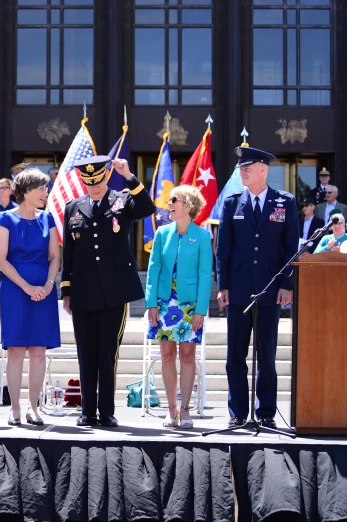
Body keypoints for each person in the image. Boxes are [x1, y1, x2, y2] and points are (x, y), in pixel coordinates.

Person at [61, 156, 154, 427]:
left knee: (107, 353)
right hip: (83, 291)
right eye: (89, 183)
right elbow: (70, 251)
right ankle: (87, 411)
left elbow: (147, 208)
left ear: (105, 177)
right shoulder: (73, 207)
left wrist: (129, 176)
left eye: (98, 180)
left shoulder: (121, 200)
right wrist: (66, 289)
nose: (95, 187)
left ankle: (106, 411)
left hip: (114, 291)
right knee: (86, 352)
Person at [216, 146, 298, 429]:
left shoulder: (284, 202)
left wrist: (287, 284)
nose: (242, 172)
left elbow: (290, 248)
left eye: (247, 168)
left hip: (269, 289)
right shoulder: (231, 202)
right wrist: (222, 284)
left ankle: (265, 413)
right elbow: (223, 248)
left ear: (263, 170)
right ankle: (237, 412)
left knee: (267, 355)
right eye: (241, 168)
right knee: (235, 355)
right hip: (238, 290)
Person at [0, 169, 60, 426]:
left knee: (38, 350)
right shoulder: (5, 219)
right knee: (16, 350)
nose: (45, 193)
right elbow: (0, 259)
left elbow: (55, 256)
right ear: (26, 191)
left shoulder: (48, 218)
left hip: (44, 291)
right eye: (41, 188)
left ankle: (34, 408)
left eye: (46, 188)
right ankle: (15, 408)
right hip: (15, 291)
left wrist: (47, 284)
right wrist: (26, 287)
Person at [145, 185, 212, 428]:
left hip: (190, 304)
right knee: (166, 354)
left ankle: (185, 410)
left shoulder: (203, 236)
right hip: (163, 303)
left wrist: (202, 310)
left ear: (189, 206)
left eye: (174, 199)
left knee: (187, 355)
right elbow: (153, 271)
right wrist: (151, 303)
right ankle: (171, 409)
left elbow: (206, 275)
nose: (169, 203)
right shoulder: (162, 233)